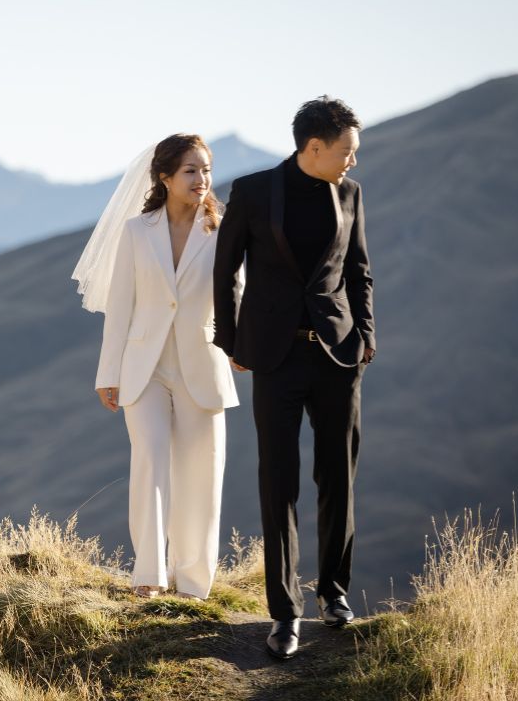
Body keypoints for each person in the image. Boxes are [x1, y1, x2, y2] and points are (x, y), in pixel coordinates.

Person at [212, 96, 375, 660]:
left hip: (338, 357)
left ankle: (333, 593)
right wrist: (230, 341)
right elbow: (225, 266)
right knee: (278, 482)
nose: (354, 159)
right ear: (314, 147)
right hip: (275, 360)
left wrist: (367, 336)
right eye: (347, 150)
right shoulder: (255, 191)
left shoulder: (350, 194)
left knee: (338, 477)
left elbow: (358, 270)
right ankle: (284, 613)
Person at [73, 134, 240, 600]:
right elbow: (120, 308)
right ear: (165, 177)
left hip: (202, 365)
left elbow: (237, 298)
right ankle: (149, 575)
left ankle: (192, 584)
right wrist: (109, 373)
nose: (201, 179)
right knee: (149, 464)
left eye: (205, 169)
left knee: (201, 475)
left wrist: (240, 347)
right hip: (143, 367)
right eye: (190, 170)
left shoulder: (224, 231)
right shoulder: (135, 232)